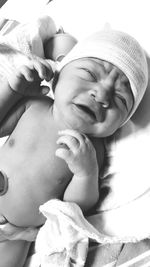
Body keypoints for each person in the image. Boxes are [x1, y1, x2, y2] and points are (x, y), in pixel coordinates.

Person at [0, 27, 148, 267]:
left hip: (16, 234)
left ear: (120, 124)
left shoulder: (90, 152)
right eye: (89, 74)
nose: (102, 94)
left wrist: (85, 174)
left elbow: (74, 207)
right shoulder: (32, 106)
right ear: (57, 77)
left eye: (121, 100)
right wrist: (12, 89)